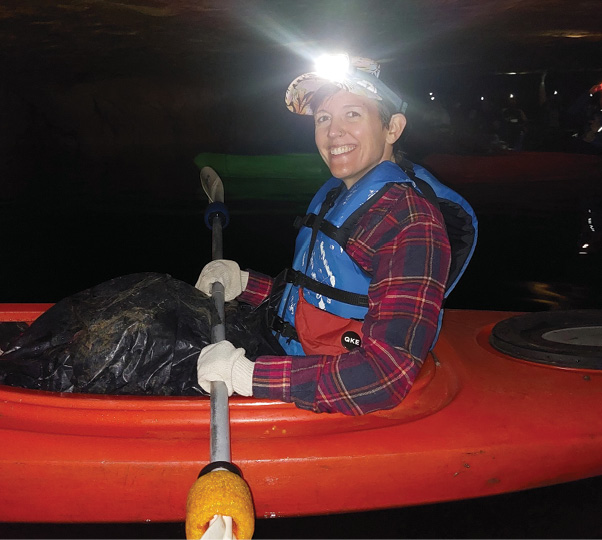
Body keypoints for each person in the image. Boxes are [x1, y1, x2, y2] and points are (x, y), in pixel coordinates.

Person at [195, 54, 477, 415]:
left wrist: (250, 375)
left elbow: (385, 376)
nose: (333, 132)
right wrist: (247, 284)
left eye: (353, 115)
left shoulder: (410, 222)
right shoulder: (337, 192)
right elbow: (321, 295)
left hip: (334, 386)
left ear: (393, 129)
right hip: (289, 351)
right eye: (323, 118)